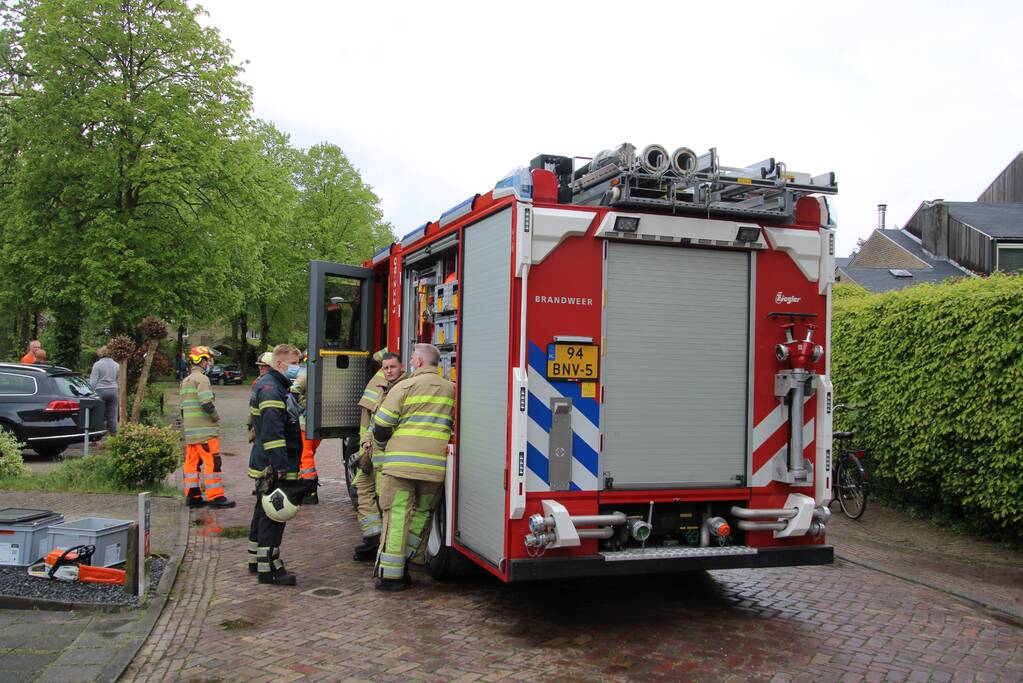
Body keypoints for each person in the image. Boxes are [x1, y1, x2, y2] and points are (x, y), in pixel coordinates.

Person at [371, 343, 455, 591]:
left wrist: (382, 445)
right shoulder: (452, 389)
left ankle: (391, 575)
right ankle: (407, 561)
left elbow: (382, 425)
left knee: (397, 514)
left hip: (400, 467)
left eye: (411, 359)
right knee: (421, 514)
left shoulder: (404, 387)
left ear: (418, 362)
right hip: (434, 469)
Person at [247, 343, 306, 585]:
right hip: (274, 464)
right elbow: (273, 434)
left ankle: (256, 559)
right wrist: (281, 467)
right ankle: (269, 568)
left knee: (263, 511)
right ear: (279, 364)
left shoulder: (273, 385)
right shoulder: (271, 389)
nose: (297, 369)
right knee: (274, 514)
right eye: (293, 364)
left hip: (266, 462)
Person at [351, 351, 406, 561]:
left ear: (401, 367)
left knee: (386, 501)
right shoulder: (384, 388)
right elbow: (374, 421)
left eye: (392, 367)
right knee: (361, 489)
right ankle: (372, 538)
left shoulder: (403, 389)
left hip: (388, 457)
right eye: (385, 368)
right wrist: (366, 440)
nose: (389, 371)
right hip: (372, 453)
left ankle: (382, 543)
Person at [180, 346, 235, 509]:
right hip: (205, 432)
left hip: (191, 432)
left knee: (191, 464)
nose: (208, 363)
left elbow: (183, 408)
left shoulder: (186, 380)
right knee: (213, 462)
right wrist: (215, 417)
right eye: (207, 360)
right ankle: (216, 496)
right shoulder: (202, 379)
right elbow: (206, 402)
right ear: (201, 361)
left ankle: (193, 496)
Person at [288, 358, 320, 504]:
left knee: (305, 456)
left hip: (305, 424)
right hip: (320, 424)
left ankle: (309, 492)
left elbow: (293, 392)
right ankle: (308, 487)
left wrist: (299, 408)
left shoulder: (306, 375)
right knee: (310, 454)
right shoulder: (324, 374)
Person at [89, 346, 120, 435]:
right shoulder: (116, 365)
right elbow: (118, 380)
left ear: (101, 353)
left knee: (99, 414)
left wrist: (91, 392)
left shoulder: (97, 364)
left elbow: (93, 381)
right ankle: (114, 435)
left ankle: (97, 436)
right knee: (113, 414)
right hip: (113, 390)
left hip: (100, 390)